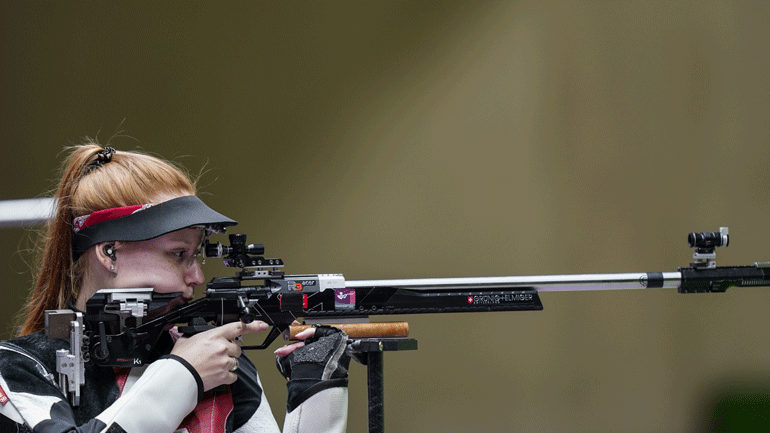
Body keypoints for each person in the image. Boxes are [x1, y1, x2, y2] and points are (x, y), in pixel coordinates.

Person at [0, 143, 350, 433]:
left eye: (196, 254)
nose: (196, 276)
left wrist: (316, 390)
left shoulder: (218, 362)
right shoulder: (21, 367)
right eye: (178, 254)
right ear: (109, 252)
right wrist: (184, 375)